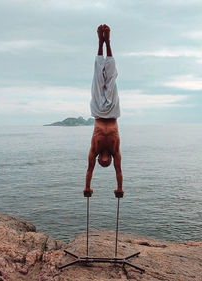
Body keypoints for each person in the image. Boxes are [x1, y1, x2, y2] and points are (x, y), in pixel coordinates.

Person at [83, 24, 123, 198]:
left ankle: (100, 43)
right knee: (112, 78)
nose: (106, 162)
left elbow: (89, 170)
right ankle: (109, 43)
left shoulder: (94, 150)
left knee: (98, 78)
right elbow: (119, 172)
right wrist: (119, 188)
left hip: (98, 112)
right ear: (110, 161)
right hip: (113, 112)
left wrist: (87, 187)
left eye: (103, 163)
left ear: (99, 160)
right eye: (108, 164)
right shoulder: (116, 151)